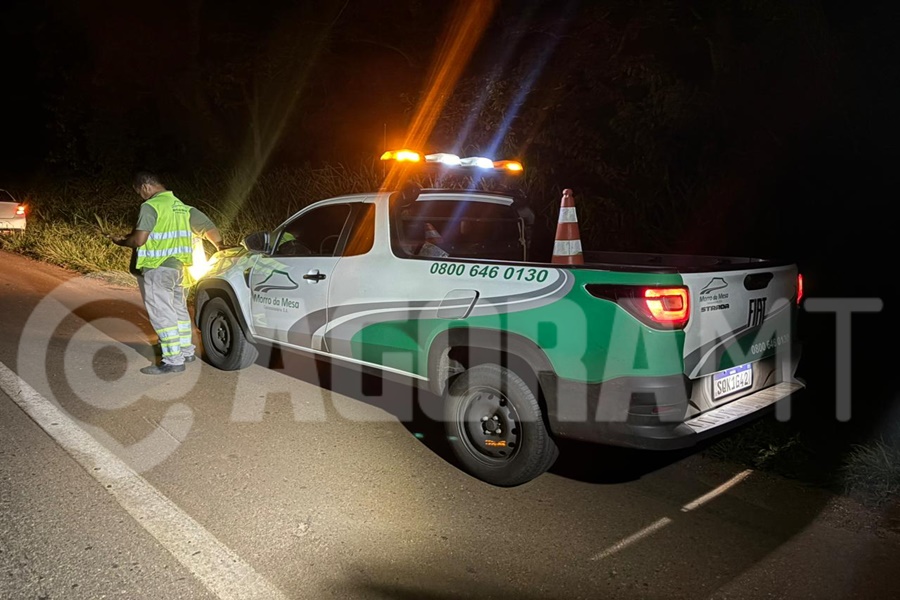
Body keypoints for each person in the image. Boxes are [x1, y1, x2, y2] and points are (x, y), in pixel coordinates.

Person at [110, 172, 224, 375]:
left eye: (140, 192)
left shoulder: (150, 206)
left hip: (157, 268)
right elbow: (208, 228)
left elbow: (139, 240)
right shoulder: (182, 208)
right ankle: (186, 350)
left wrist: (121, 241)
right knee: (178, 310)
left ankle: (173, 360)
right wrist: (220, 247)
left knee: (162, 313)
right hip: (179, 270)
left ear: (145, 187)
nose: (141, 197)